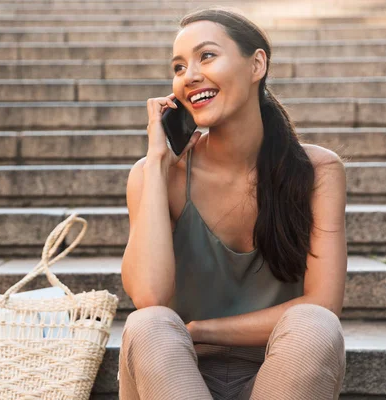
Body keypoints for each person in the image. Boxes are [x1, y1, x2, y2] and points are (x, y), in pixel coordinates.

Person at [118, 6, 347, 400]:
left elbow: (324, 302)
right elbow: (150, 297)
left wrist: (201, 329)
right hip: (175, 374)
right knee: (149, 324)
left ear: (256, 64)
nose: (189, 76)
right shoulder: (156, 175)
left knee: (315, 324)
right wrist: (156, 164)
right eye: (178, 66)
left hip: (278, 374)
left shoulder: (318, 171)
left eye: (206, 56)